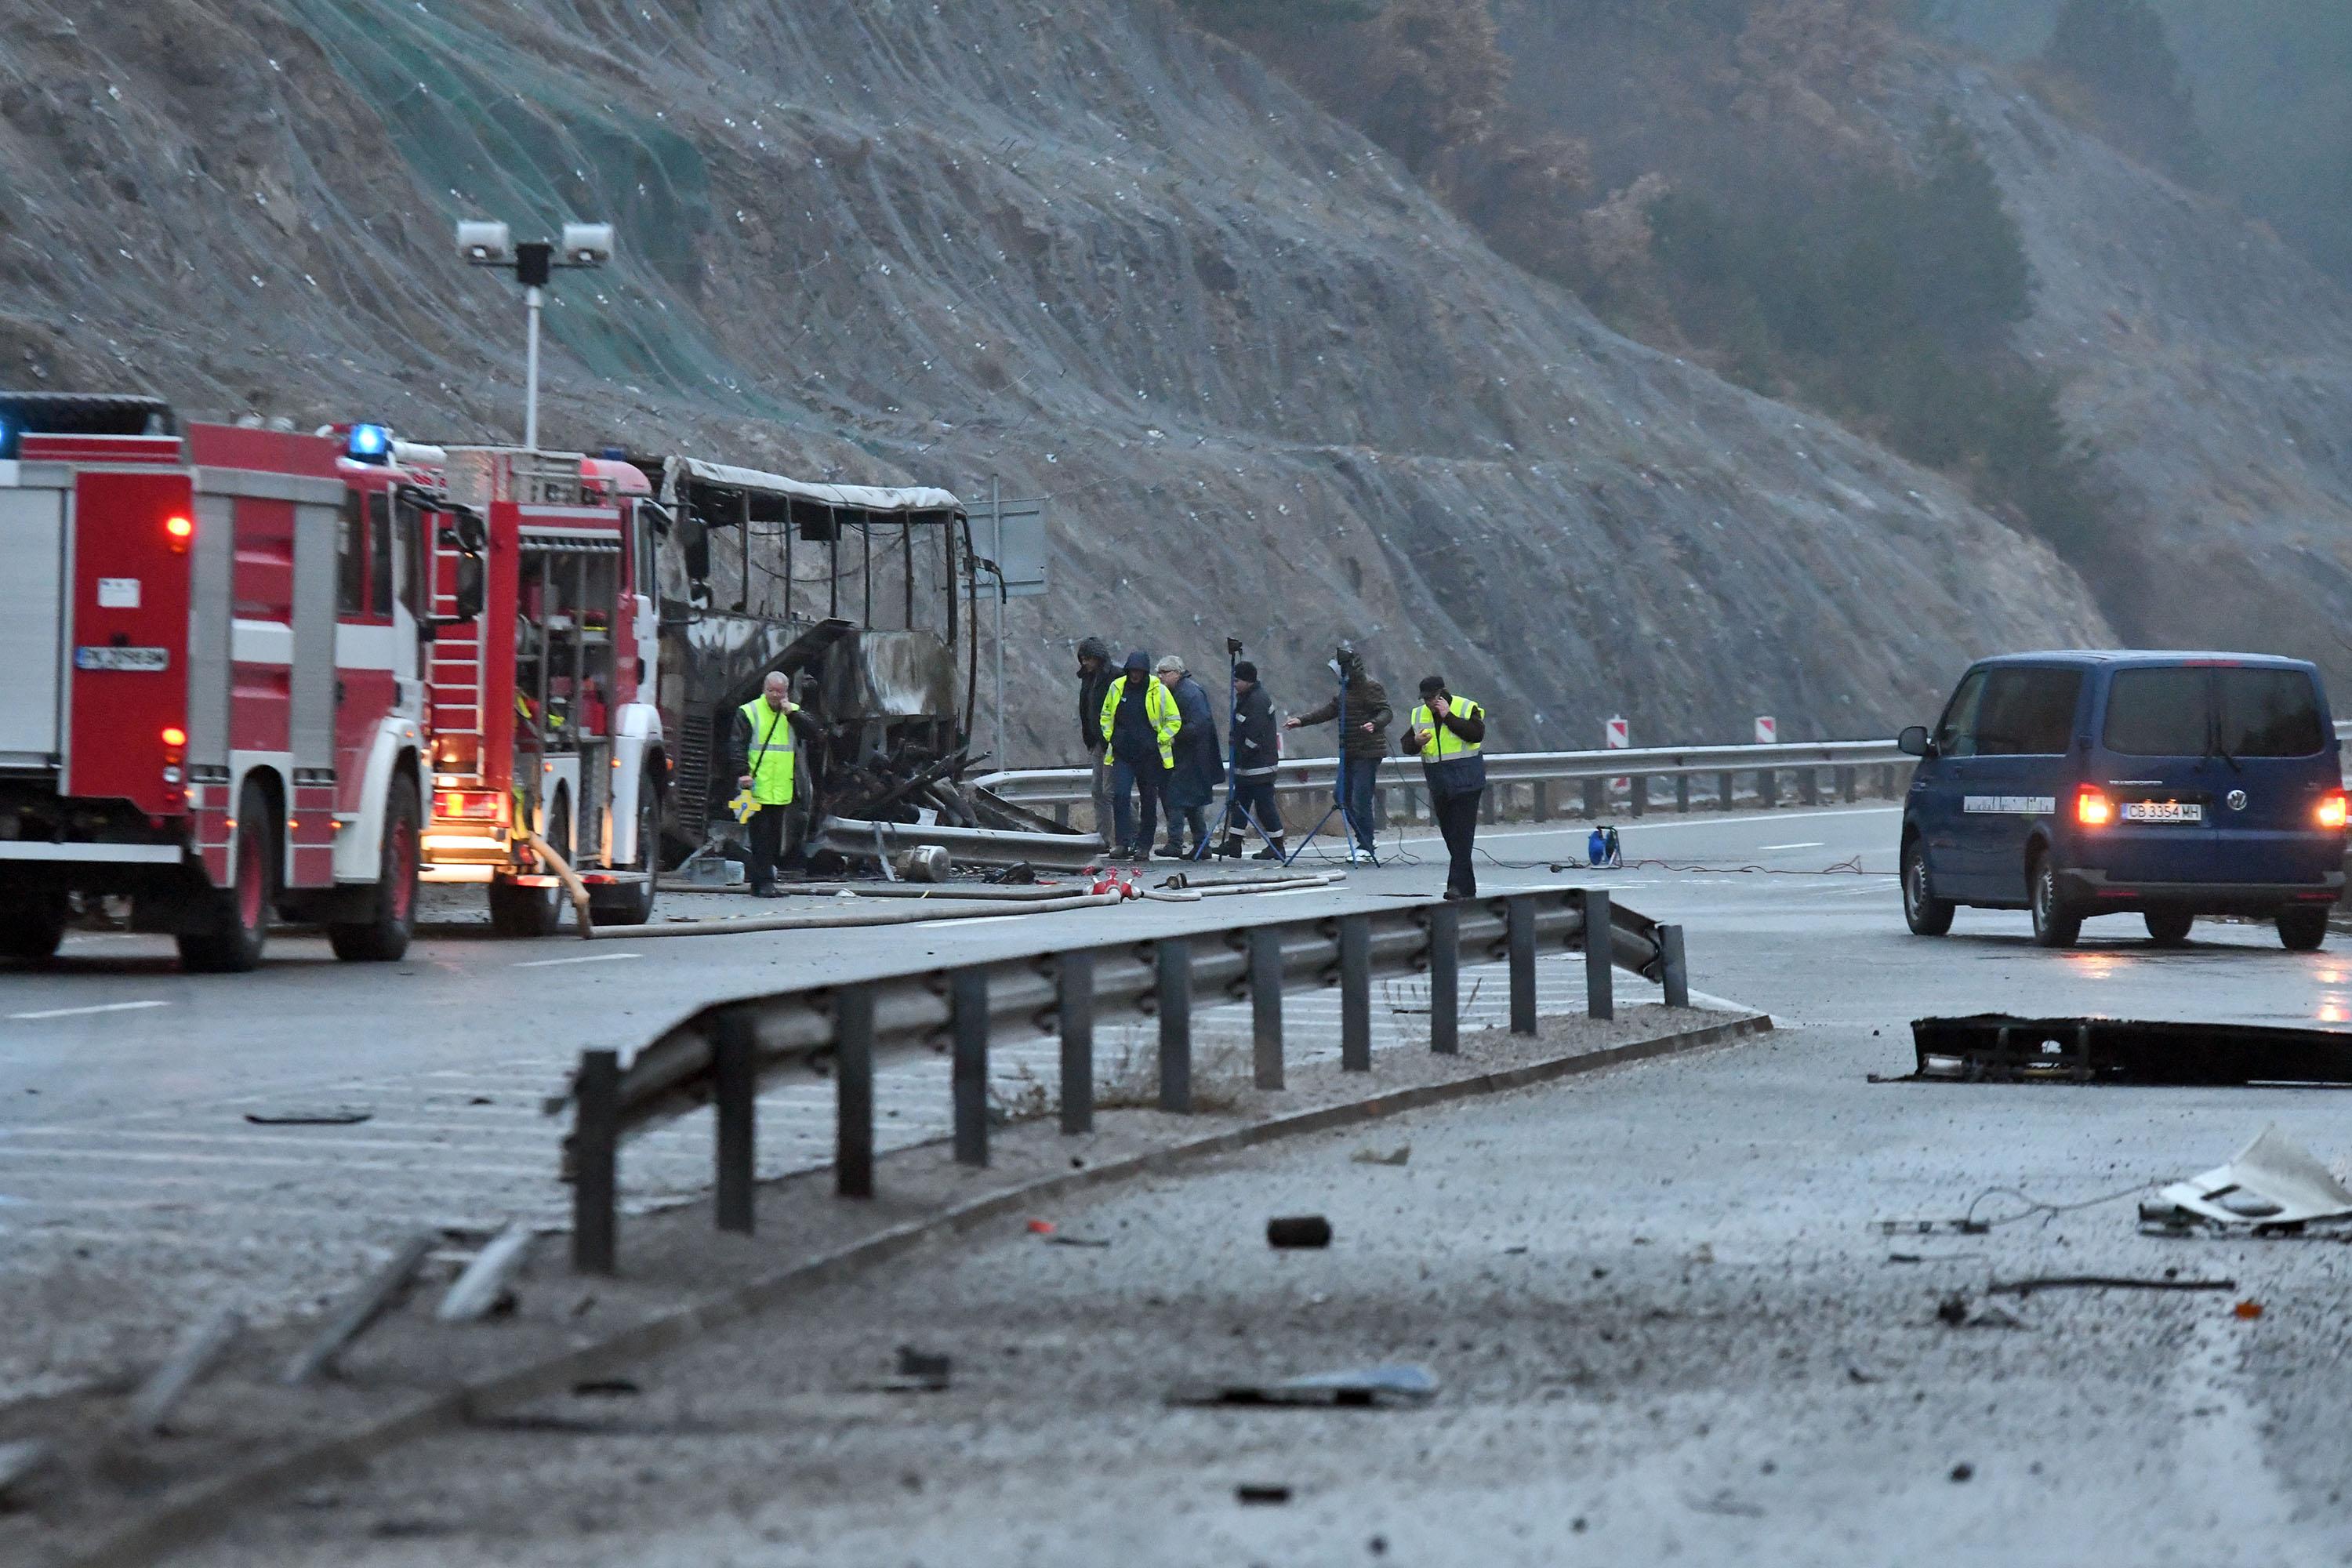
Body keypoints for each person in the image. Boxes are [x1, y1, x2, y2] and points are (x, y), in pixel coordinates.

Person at [1285, 644, 1392, 862]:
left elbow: (1386, 711)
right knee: (1340, 796)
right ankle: (1365, 837)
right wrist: (1302, 721)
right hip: (1350, 751)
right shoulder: (1346, 689)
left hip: (1367, 750)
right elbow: (1330, 710)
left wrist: (1374, 723)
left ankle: (1366, 845)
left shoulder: (1370, 686)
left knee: (1360, 798)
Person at [731, 670, 816, 896]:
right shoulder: (749, 712)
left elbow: (815, 734)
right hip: (755, 786)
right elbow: (737, 745)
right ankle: (764, 883)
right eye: (771, 691)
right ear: (764, 689)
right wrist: (742, 772)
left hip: (780, 787)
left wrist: (793, 715)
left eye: (779, 692)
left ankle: (760, 883)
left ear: (786, 692)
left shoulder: (792, 712)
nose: (775, 696)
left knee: (773, 838)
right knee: (761, 837)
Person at [1406, 674, 1488, 899]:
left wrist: (1448, 716)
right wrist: (1416, 742)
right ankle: (1467, 887)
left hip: (1467, 782)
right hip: (1440, 785)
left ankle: (1456, 887)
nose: (1429, 703)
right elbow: (1407, 745)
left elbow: (1476, 734)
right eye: (1425, 699)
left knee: (1461, 835)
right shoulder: (1420, 714)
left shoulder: (1464, 707)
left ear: (1442, 694)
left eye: (1432, 698)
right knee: (1451, 836)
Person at [1098, 648, 1179, 862]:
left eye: (1139, 671)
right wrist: (1111, 737)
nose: (1135, 675)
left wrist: (1159, 739)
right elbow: (1106, 714)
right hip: (1123, 754)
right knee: (1121, 796)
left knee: (1149, 800)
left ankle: (1144, 845)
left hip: (1150, 757)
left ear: (1145, 672)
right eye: (1132, 671)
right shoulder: (1117, 687)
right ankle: (1122, 843)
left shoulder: (1158, 690)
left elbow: (1174, 720)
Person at [1219, 659, 1287, 861]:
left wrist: (1241, 754)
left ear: (1248, 681)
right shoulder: (1246, 698)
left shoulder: (1257, 701)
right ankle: (1234, 843)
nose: (1234, 684)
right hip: (1247, 768)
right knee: (1239, 804)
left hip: (1259, 766)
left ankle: (1277, 846)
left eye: (1237, 680)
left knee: (1265, 807)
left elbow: (1254, 736)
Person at [1156, 654, 1221, 858]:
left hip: (1192, 756)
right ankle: (1202, 845)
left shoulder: (1189, 693)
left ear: (1177, 673)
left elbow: (1199, 725)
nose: (1160, 677)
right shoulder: (1180, 692)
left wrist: (1175, 735)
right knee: (1192, 804)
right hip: (1190, 756)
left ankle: (1177, 842)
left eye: (1164, 673)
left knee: (1176, 799)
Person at [1075, 637, 1118, 842]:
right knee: (1098, 790)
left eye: (1088, 659)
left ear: (1098, 658)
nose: (1085, 663)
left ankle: (1129, 834)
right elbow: (1086, 710)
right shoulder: (1088, 679)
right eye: (1082, 659)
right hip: (1097, 742)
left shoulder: (1115, 677)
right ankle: (1104, 838)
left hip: (1113, 742)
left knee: (1111, 791)